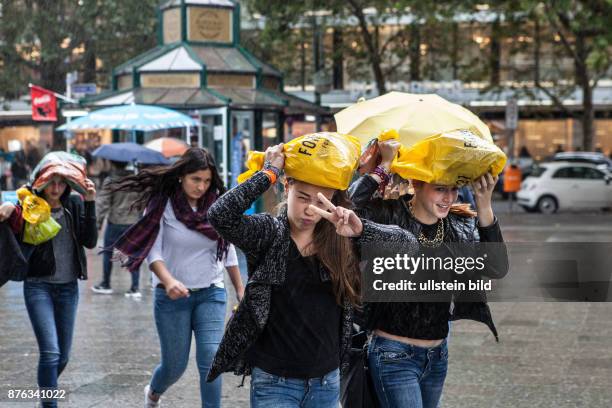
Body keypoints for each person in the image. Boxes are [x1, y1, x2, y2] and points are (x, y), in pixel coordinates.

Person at [205, 144, 418, 408]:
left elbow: (408, 245)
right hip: (275, 383)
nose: (309, 210)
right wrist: (268, 172)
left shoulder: (341, 237)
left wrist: (361, 229)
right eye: (303, 197)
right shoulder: (268, 233)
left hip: (327, 383)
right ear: (287, 186)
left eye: (320, 202)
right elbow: (219, 215)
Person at [349, 140, 509, 408]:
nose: (449, 198)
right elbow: (347, 209)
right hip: (393, 354)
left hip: (437, 356)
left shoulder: (458, 226)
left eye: (454, 189)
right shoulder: (387, 214)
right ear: (417, 183)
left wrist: (484, 204)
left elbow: (496, 267)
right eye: (440, 189)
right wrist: (385, 167)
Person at [108, 148, 244, 408]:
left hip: (211, 292)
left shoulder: (217, 203)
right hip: (171, 296)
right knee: (174, 365)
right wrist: (168, 281)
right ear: (182, 175)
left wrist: (240, 288)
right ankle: (154, 392)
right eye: (196, 179)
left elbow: (228, 249)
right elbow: (153, 251)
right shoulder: (162, 204)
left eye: (206, 180)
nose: (202, 186)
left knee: (210, 358)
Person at [0, 155, 97, 408]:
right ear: (41, 182)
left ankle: (44, 395)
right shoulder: (29, 206)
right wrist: (10, 207)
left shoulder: (74, 205)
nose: (56, 188)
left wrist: (90, 203)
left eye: (61, 182)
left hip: (68, 288)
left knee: (62, 356)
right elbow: (12, 207)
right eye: (51, 182)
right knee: (51, 353)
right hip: (38, 286)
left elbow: (90, 241)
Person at [92, 160, 143, 297]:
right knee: (133, 254)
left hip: (115, 222)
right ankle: (135, 287)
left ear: (113, 164)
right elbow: (143, 201)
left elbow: (103, 204)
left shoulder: (111, 181)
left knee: (108, 253)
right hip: (132, 223)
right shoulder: (136, 180)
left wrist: (97, 223)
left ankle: (106, 284)